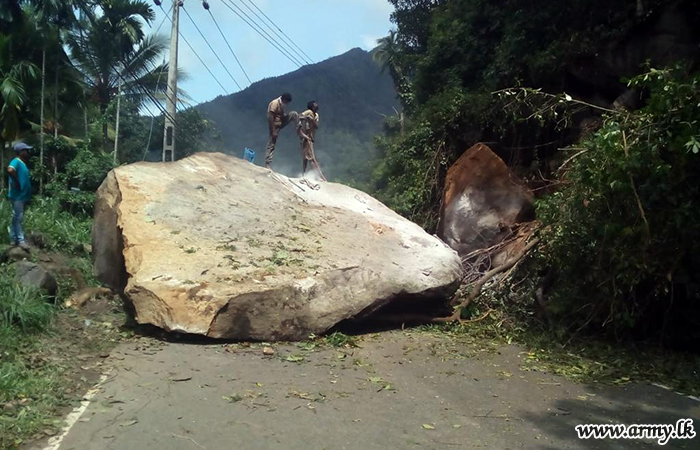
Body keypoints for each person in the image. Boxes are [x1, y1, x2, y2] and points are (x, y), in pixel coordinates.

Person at [7, 142, 32, 250]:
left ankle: (13, 239)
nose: (28, 152)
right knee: (18, 218)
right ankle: (21, 241)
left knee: (16, 218)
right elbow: (10, 170)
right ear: (21, 152)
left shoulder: (22, 163)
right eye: (26, 150)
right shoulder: (16, 161)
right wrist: (16, 182)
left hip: (21, 196)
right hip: (18, 196)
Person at [265, 93, 298, 169]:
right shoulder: (275, 103)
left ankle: (299, 130)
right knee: (271, 143)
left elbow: (281, 115)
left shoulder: (281, 105)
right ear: (284, 100)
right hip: (274, 125)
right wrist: (273, 131)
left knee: (294, 114)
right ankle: (267, 163)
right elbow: (270, 117)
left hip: (281, 121)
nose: (286, 104)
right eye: (286, 102)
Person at [297, 101, 326, 182]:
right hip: (306, 137)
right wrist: (306, 117)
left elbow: (316, 126)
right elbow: (298, 116)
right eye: (315, 106)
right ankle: (315, 175)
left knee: (307, 157)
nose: (316, 107)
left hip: (311, 137)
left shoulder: (316, 115)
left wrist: (312, 120)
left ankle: (304, 174)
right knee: (310, 158)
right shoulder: (309, 112)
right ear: (311, 107)